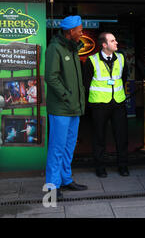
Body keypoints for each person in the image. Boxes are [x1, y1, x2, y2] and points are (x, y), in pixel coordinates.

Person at [44, 15, 88, 200]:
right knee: (57, 147)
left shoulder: (73, 48)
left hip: (73, 108)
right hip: (61, 108)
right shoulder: (55, 48)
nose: (81, 32)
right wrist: (67, 96)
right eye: (79, 29)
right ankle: (52, 188)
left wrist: (75, 100)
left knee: (69, 146)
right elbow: (51, 77)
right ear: (71, 32)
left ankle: (65, 179)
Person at [83, 32, 129, 178]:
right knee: (99, 137)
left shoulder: (121, 58)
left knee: (121, 136)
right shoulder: (92, 60)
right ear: (104, 45)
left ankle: (123, 166)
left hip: (118, 103)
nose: (116, 43)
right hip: (99, 105)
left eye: (115, 40)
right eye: (113, 40)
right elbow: (86, 83)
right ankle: (100, 167)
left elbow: (124, 77)